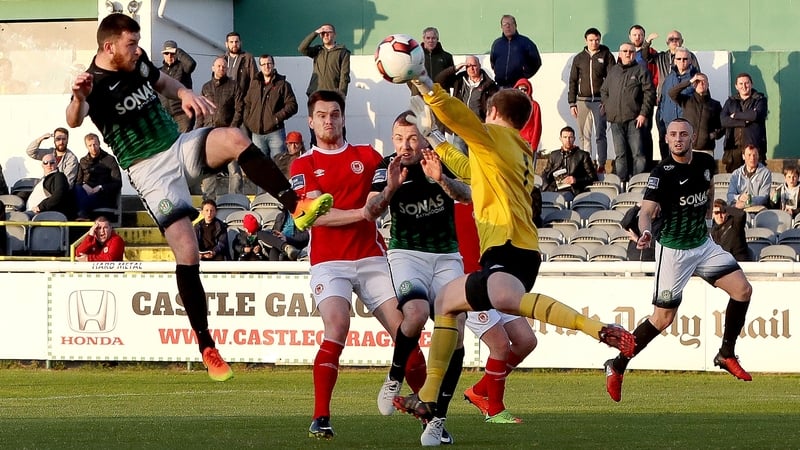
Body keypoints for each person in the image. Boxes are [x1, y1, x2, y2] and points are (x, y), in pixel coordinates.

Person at [66, 14, 332, 382]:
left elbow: (163, 81)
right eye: (131, 43)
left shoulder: (138, 62)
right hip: (149, 171)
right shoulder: (91, 83)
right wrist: (77, 97)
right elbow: (75, 118)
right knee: (188, 251)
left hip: (176, 147)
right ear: (109, 46)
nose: (138, 49)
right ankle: (206, 345)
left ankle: (296, 207)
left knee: (234, 138)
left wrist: (185, 92)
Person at [392, 73, 635, 438]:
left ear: (491, 112)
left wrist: (428, 88)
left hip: (507, 246)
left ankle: (596, 328)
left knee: (504, 299)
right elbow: (471, 169)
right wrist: (439, 143)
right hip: (519, 249)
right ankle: (428, 397)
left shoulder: (496, 137)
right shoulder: (517, 147)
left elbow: (460, 116)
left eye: (484, 115)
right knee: (445, 302)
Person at [291, 90, 425, 441]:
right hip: (328, 262)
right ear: (311, 121)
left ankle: (429, 413)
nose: (329, 120)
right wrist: (361, 214)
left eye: (334, 114)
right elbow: (314, 217)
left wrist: (381, 200)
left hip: (370, 257)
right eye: (321, 115)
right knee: (337, 324)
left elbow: (376, 203)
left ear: (343, 117)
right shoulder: (301, 165)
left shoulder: (367, 156)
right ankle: (321, 416)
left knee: (406, 332)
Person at [604, 118, 754, 403]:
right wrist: (646, 231)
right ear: (667, 139)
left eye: (683, 134)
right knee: (662, 319)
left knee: (743, 290)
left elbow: (709, 192)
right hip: (673, 251)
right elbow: (646, 211)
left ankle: (726, 353)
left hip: (702, 244)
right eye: (672, 134)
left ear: (693, 137)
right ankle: (617, 365)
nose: (677, 139)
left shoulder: (706, 163)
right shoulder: (662, 173)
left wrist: (708, 219)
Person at [366, 111, 472, 445]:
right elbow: (371, 210)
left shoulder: (440, 159)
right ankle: (394, 377)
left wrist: (442, 179)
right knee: (416, 313)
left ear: (425, 137)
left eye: (412, 138)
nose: (405, 145)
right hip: (407, 253)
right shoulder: (387, 166)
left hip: (446, 256)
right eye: (399, 138)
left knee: (456, 331)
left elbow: (467, 195)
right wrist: (390, 189)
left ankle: (437, 419)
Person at [600, 42, 656, 182]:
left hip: (634, 119)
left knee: (639, 154)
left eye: (631, 51)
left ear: (634, 54)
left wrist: (643, 114)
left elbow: (649, 93)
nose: (627, 53)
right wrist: (608, 106)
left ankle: (637, 183)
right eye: (624, 51)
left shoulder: (641, 70)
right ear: (619, 54)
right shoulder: (613, 71)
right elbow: (604, 90)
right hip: (615, 121)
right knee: (620, 155)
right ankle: (622, 184)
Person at [568, 27, 615, 173]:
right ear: (586, 40)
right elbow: (573, 81)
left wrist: (607, 101)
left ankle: (601, 164)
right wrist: (572, 103)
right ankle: (586, 164)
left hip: (600, 101)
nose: (594, 42)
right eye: (591, 40)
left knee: (600, 134)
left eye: (597, 40)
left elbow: (612, 79)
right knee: (584, 135)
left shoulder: (606, 55)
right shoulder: (579, 58)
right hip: (582, 101)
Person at [233, 54, 298, 160]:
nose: (266, 66)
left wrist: (276, 118)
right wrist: (249, 121)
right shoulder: (254, 84)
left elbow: (292, 105)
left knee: (278, 165)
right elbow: (247, 103)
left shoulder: (282, 84)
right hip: (257, 134)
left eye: (269, 63)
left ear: (273, 65)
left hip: (275, 133)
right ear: (260, 66)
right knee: (261, 166)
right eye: (263, 64)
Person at [434, 55, 499, 154]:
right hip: (461, 127)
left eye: (474, 65)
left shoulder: (490, 85)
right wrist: (455, 68)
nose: (472, 69)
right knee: (461, 158)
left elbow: (494, 108)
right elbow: (439, 80)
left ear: (479, 66)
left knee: (477, 158)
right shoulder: (460, 79)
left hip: (478, 128)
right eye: (468, 66)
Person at [200, 56, 242, 199]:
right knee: (209, 170)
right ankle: (209, 201)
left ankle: (235, 200)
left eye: (224, 66)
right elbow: (201, 110)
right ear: (213, 68)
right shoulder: (206, 87)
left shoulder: (234, 85)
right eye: (218, 66)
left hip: (228, 134)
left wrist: (232, 128)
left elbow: (239, 109)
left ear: (227, 69)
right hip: (209, 134)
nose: (221, 69)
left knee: (234, 170)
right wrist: (198, 129)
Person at [657, 47, 699, 160]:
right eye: (679, 59)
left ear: (690, 60)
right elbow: (663, 99)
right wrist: (661, 118)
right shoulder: (669, 78)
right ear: (674, 60)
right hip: (668, 123)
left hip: (686, 123)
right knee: (668, 158)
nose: (682, 61)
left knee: (685, 157)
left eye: (685, 59)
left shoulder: (696, 78)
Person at [721, 73, 768, 172]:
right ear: (736, 86)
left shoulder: (760, 100)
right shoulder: (730, 102)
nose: (744, 86)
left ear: (751, 84)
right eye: (741, 84)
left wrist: (735, 116)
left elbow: (755, 115)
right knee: (734, 184)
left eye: (747, 83)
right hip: (733, 151)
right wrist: (744, 122)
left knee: (756, 181)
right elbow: (723, 121)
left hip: (754, 149)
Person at [667, 72, 723, 156]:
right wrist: (690, 81)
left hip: (706, 149)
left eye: (703, 81)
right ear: (694, 85)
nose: (701, 84)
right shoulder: (687, 101)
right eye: (698, 81)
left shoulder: (715, 105)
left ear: (708, 84)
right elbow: (672, 93)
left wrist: (714, 135)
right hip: (687, 148)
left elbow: (723, 125)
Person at [541, 126, 597, 202]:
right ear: (560, 138)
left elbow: (593, 177)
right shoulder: (554, 155)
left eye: (570, 137)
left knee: (560, 199)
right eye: (565, 137)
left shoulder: (583, 155)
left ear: (574, 138)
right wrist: (546, 187)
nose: (568, 140)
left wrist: (575, 180)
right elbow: (546, 173)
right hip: (554, 189)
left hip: (573, 191)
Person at [74, 133, 122, 220]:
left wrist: (100, 187)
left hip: (103, 194)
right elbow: (78, 181)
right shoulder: (83, 161)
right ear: (87, 147)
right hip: (86, 192)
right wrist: (84, 185)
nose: (93, 147)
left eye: (95, 144)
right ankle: (82, 214)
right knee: (77, 188)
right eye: (90, 145)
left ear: (99, 144)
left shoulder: (110, 159)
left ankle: (82, 214)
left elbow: (118, 183)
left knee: (84, 200)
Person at [298, 23, 351, 98]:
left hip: (333, 94)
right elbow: (301, 48)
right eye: (323, 33)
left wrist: (341, 94)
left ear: (334, 34)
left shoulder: (343, 52)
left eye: (328, 32)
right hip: (315, 92)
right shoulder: (318, 50)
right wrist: (315, 33)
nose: (325, 35)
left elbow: (344, 75)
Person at [490, 15, 542, 88]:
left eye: (510, 24)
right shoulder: (497, 44)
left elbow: (536, 62)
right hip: (500, 87)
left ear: (515, 25)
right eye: (505, 24)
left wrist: (525, 74)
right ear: (501, 27)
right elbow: (493, 63)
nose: (508, 26)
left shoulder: (526, 43)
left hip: (519, 86)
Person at [159, 40, 197, 132]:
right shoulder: (159, 71)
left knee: (184, 143)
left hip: (183, 114)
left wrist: (177, 50)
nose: (169, 56)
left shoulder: (183, 68)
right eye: (167, 53)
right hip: (166, 116)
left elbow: (191, 64)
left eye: (172, 53)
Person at [25, 153, 76, 218]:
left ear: (56, 163)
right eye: (45, 162)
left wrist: (40, 207)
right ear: (42, 165)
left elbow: (60, 193)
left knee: (17, 218)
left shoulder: (59, 176)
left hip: (42, 214)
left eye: (52, 162)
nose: (48, 165)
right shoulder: (42, 180)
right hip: (30, 212)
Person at [408, 27, 454, 97]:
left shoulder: (447, 57)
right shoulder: (415, 56)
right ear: (423, 39)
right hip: (420, 97)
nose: (431, 41)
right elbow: (408, 76)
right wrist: (417, 90)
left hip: (440, 98)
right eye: (428, 38)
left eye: (433, 38)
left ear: (437, 39)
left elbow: (451, 80)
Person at [726, 144, 771, 210]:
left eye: (754, 155)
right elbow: (730, 195)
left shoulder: (765, 173)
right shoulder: (736, 174)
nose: (752, 158)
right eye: (749, 155)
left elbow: (763, 197)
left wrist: (748, 202)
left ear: (758, 156)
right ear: (743, 156)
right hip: (738, 208)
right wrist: (739, 197)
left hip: (757, 209)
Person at [513, 78, 542, 151]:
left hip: (528, 143)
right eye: (520, 89)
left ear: (529, 90)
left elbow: (537, 126)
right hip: (515, 141)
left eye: (524, 89)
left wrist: (534, 145)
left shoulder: (534, 105)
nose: (522, 91)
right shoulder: (512, 105)